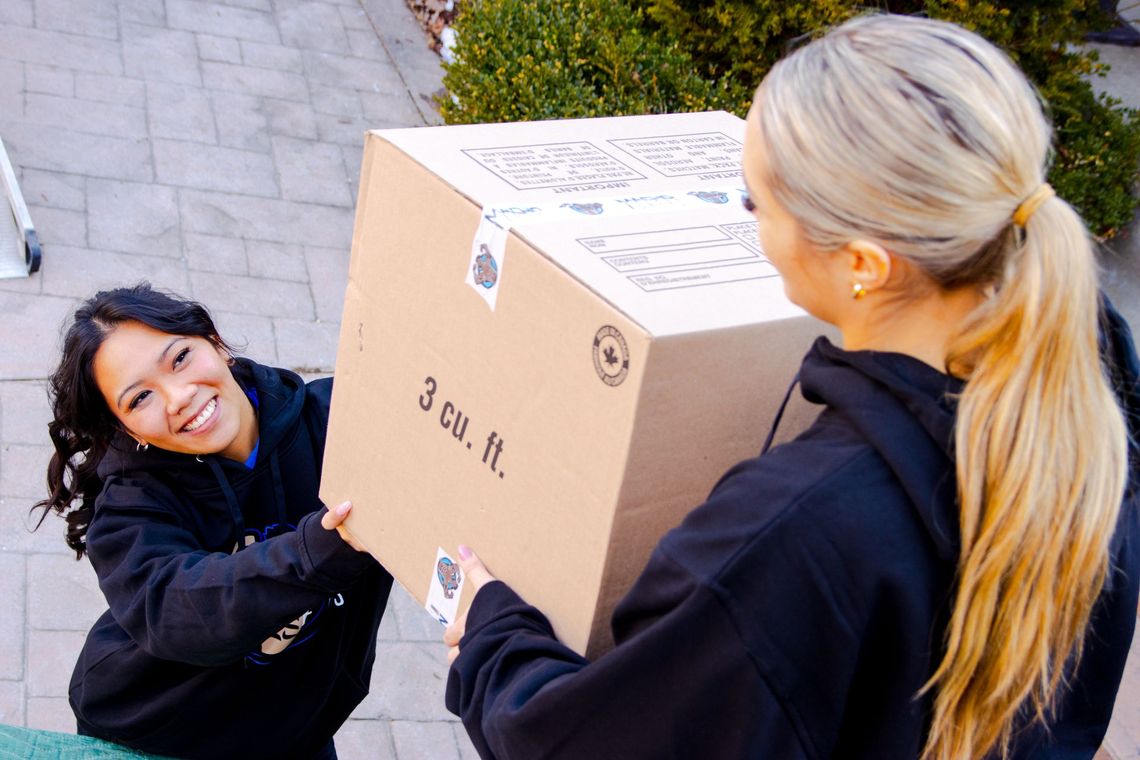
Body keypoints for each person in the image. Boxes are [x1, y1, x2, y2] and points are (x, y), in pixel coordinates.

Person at [442, 14, 1140, 760]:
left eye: (755, 201)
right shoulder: (1090, 400)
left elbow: (581, 743)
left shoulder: (790, 536)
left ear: (866, 266)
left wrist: (492, 643)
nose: (746, 219)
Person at [34, 284, 393, 760]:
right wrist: (319, 550)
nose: (178, 396)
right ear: (124, 427)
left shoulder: (335, 421)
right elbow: (172, 609)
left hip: (295, 728)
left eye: (179, 357)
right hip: (161, 735)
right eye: (140, 398)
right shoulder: (129, 506)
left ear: (214, 341)